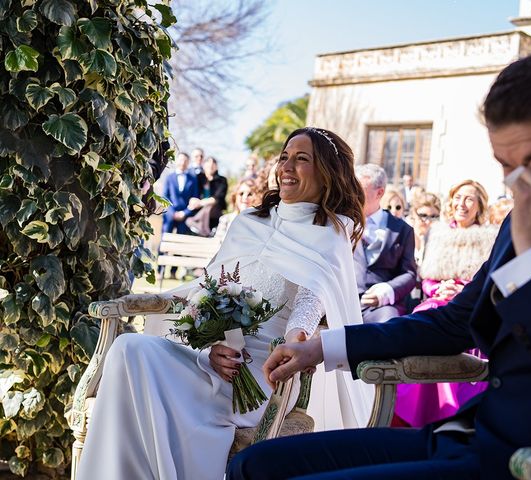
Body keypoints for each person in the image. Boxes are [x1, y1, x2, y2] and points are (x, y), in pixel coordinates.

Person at [229, 52, 531, 480]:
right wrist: (321, 347)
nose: (523, 185)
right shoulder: (527, 214)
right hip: (465, 436)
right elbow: (453, 324)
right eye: (507, 167)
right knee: (254, 466)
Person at [77, 127, 374, 480]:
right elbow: (207, 291)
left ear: (326, 172)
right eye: (284, 157)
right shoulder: (248, 222)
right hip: (209, 355)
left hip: (258, 372)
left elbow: (311, 303)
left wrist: (297, 341)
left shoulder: (332, 232)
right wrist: (209, 347)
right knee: (128, 349)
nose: (287, 167)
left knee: (133, 353)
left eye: (302, 159)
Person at [395, 180, 498, 428]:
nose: (462, 204)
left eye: (470, 199)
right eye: (458, 197)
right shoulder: (439, 233)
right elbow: (427, 278)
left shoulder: (489, 237)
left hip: (470, 306)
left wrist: (461, 291)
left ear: (479, 205)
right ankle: (416, 411)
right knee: (425, 314)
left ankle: (454, 412)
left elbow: (489, 282)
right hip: (437, 301)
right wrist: (440, 288)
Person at [355, 164, 416, 324]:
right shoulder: (340, 223)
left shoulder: (403, 229)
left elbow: (409, 274)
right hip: (342, 301)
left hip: (380, 308)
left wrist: (387, 291)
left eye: (359, 189)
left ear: (379, 192)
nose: (353, 194)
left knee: (389, 324)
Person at [208, 178, 258, 257]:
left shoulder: (259, 222)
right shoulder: (225, 219)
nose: (245, 197)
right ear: (235, 197)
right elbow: (216, 246)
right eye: (241, 194)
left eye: (250, 194)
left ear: (256, 198)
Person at [186, 156, 229, 236]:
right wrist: (193, 200)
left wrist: (200, 203)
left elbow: (217, 198)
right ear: (204, 165)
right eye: (208, 165)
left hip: (215, 209)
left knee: (208, 206)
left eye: (213, 165)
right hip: (198, 208)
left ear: (216, 167)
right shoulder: (198, 177)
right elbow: (192, 192)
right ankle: (202, 228)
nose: (210, 167)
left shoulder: (222, 180)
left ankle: (200, 228)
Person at [161, 152, 200, 235]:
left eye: (186, 161)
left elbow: (195, 198)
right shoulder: (169, 177)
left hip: (185, 217)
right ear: (177, 161)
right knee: (164, 241)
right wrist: (172, 213)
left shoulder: (193, 179)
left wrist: (184, 213)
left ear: (188, 163)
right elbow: (165, 196)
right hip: (169, 215)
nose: (183, 162)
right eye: (181, 160)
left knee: (181, 242)